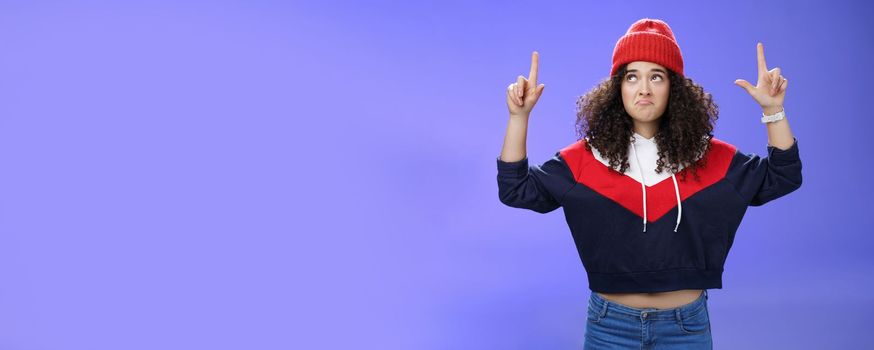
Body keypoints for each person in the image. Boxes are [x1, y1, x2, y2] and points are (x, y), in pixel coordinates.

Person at [496, 18, 802, 349]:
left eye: (656, 76)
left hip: (685, 328)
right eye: (632, 77)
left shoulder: (712, 159)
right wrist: (518, 117)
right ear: (618, 89)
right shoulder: (585, 160)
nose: (644, 88)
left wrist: (774, 111)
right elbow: (516, 188)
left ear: (674, 87)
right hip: (609, 327)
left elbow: (783, 175)